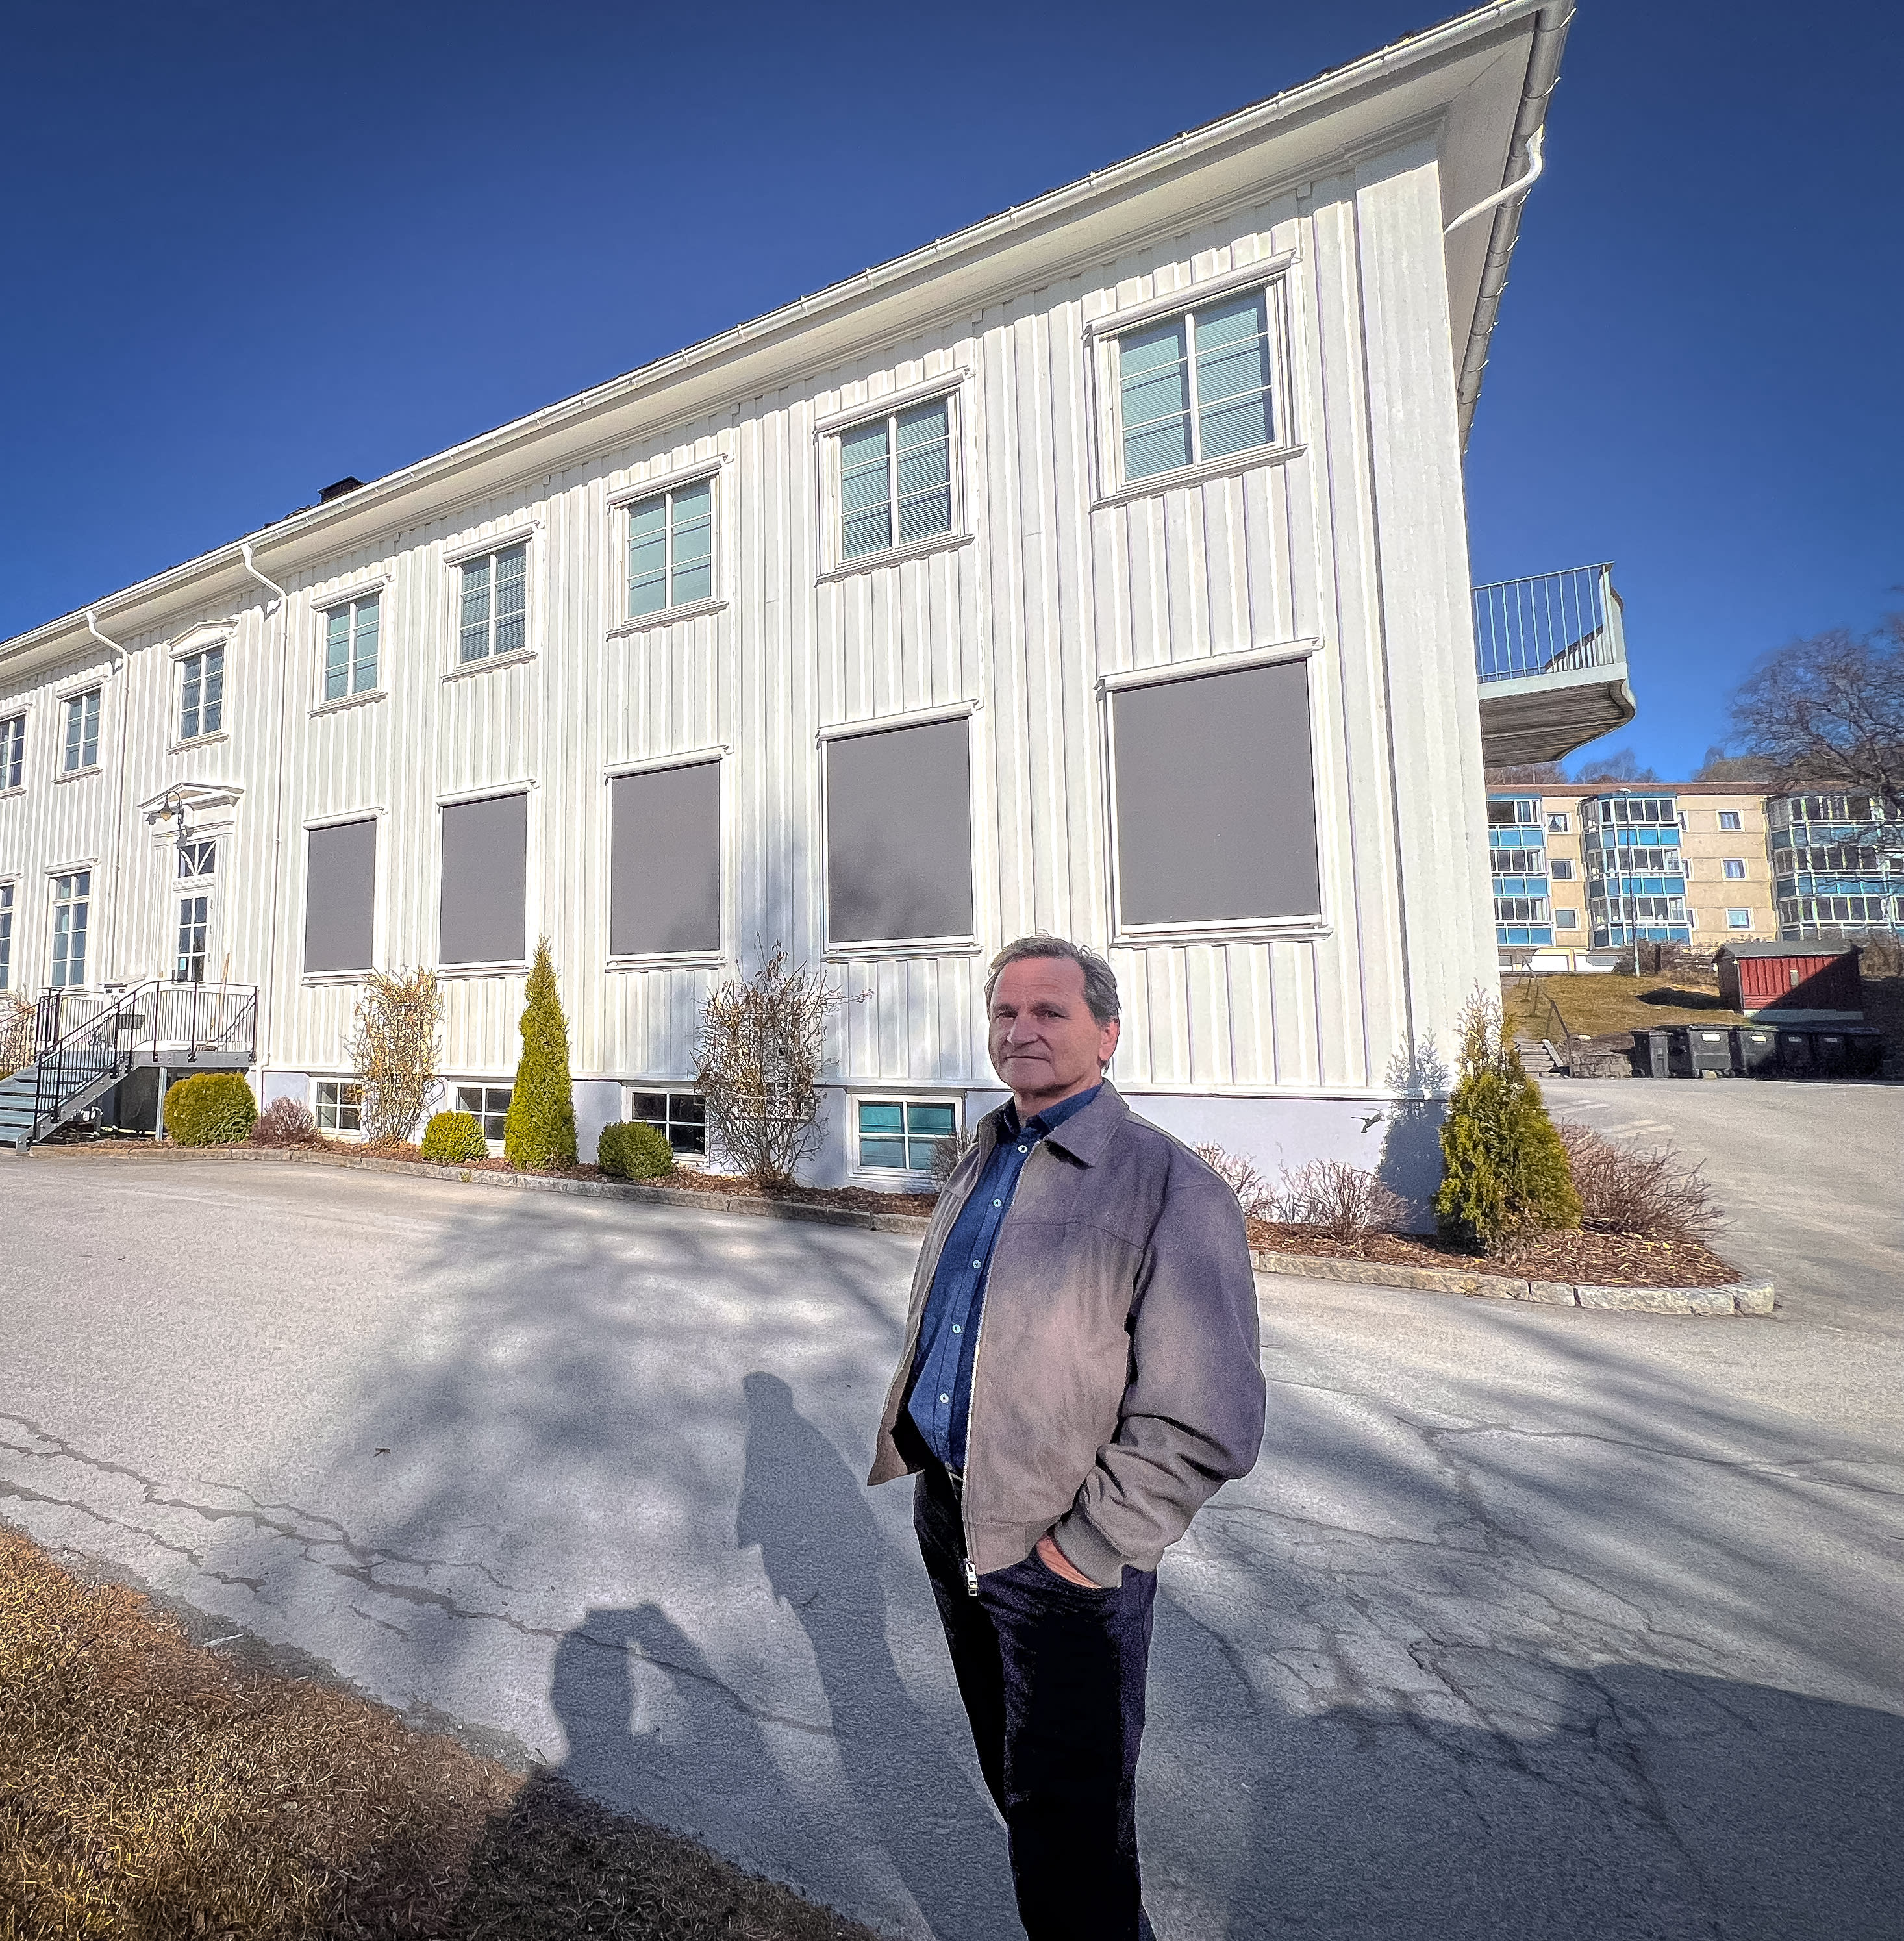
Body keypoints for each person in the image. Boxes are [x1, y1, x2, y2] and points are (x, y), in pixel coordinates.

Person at [868, 933, 1266, 1939]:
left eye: (1050, 1010)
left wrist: (1082, 1550)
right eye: (1005, 1012)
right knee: (1024, 1790)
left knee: (1073, 1832)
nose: (1021, 1029)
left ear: (1108, 1032)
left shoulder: (1173, 1188)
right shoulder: (986, 1155)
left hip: (1063, 1555)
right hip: (954, 1517)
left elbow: (1205, 1416)